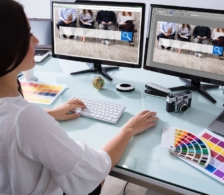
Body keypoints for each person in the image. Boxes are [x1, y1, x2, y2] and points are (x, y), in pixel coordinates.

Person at [0, 1, 159, 195]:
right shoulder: (25, 118)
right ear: (7, 44)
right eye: (28, 33)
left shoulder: (17, 113)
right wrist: (129, 129)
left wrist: (48, 113)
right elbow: (93, 170)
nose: (35, 40)